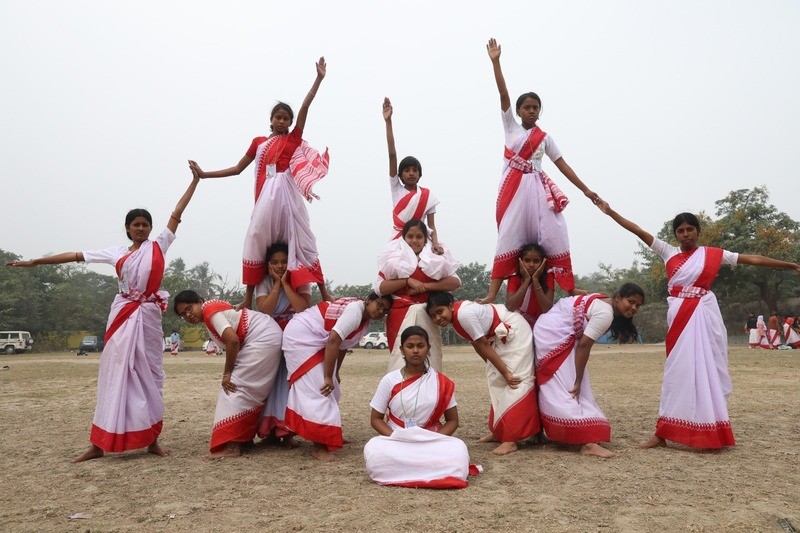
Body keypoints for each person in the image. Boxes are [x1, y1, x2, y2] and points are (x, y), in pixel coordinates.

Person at [7, 175, 201, 462]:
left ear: (150, 228)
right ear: (127, 228)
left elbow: (177, 212)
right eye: (136, 224)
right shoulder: (117, 253)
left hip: (147, 317)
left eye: (145, 224)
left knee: (150, 378)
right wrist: (36, 262)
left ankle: (152, 441)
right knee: (114, 375)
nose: (141, 228)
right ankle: (97, 444)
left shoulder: (159, 245)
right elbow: (75, 256)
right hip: (123, 316)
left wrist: (195, 181)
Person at [599, 201, 800, 449]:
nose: (685, 235)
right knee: (676, 372)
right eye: (680, 231)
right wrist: (611, 212)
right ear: (675, 235)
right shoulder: (668, 253)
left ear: (697, 231)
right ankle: (662, 433)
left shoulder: (713, 254)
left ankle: (712, 429)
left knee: (706, 370)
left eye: (690, 229)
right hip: (680, 318)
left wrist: (788, 265)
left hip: (703, 315)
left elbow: (752, 259)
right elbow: (638, 230)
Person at [188, 57, 332, 309]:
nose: (282, 121)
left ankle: (323, 292)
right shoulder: (259, 143)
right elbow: (237, 169)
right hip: (266, 198)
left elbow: (305, 108)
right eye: (278, 117)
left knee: (302, 239)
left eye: (286, 118)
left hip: (287, 197)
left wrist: (318, 79)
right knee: (255, 237)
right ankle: (247, 299)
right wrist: (204, 174)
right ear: (271, 119)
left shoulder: (293, 139)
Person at [479, 38, 600, 304]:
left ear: (539, 111)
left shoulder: (544, 138)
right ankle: (491, 294)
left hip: (538, 190)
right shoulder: (511, 127)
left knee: (556, 232)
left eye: (535, 107)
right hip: (513, 190)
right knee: (508, 234)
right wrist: (496, 62)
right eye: (527, 107)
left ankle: (569, 287)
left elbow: (562, 164)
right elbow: (503, 96)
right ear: (519, 111)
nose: (531, 111)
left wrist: (586, 189)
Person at [534, 284, 644, 458]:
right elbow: (584, 345)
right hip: (554, 334)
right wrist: (577, 380)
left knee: (560, 385)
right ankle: (587, 442)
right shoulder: (605, 313)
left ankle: (547, 432)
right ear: (617, 297)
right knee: (567, 388)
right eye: (630, 302)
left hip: (550, 329)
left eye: (638, 305)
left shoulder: (602, 300)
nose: (634, 308)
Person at [282, 293, 392, 461]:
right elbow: (333, 340)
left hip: (316, 339)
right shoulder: (355, 311)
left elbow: (341, 346)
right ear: (368, 300)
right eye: (379, 305)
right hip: (301, 337)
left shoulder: (364, 321)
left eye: (385, 310)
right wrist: (327, 376)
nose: (381, 311)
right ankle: (318, 445)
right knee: (319, 389)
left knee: (333, 389)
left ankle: (329, 435)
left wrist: (334, 373)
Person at [174, 290, 283, 459]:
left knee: (233, 388)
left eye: (189, 308)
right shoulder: (210, 312)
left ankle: (232, 446)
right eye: (183, 314)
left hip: (263, 337)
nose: (188, 315)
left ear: (199, 301)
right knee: (245, 389)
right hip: (265, 336)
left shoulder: (209, 310)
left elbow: (232, 340)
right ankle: (243, 439)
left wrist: (227, 373)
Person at [426, 291, 538, 455]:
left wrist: (506, 372)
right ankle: (499, 431)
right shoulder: (456, 319)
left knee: (515, 381)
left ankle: (511, 439)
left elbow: (482, 344)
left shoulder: (464, 314)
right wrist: (493, 367)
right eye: (433, 316)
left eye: (439, 312)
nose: (437, 318)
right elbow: (477, 345)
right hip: (497, 337)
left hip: (515, 331)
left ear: (451, 306)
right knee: (497, 380)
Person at [364, 326, 475, 489]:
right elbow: (375, 419)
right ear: (402, 350)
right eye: (410, 346)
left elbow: (452, 421)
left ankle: (404, 470)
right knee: (374, 448)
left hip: (431, 440)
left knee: (458, 449)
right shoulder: (389, 380)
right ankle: (429, 469)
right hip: (397, 440)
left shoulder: (441, 382)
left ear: (428, 348)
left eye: (420, 346)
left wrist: (434, 439)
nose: (415, 351)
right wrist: (396, 437)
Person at [375, 219, 460, 372]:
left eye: (419, 237)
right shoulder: (393, 259)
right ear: (403, 238)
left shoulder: (435, 259)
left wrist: (425, 287)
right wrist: (407, 281)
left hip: (428, 315)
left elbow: (455, 282)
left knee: (431, 360)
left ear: (425, 238)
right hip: (400, 315)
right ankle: (400, 393)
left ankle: (430, 393)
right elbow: (379, 288)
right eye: (410, 236)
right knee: (399, 361)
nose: (414, 241)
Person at [254, 242, 313, 446]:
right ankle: (269, 431)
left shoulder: (301, 280)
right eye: (275, 262)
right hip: (269, 336)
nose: (280, 266)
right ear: (268, 265)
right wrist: (277, 284)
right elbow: (265, 311)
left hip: (295, 337)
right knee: (269, 384)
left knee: (288, 384)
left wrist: (287, 283)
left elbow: (302, 307)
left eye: (284, 262)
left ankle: (287, 432)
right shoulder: (264, 282)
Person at [382, 97, 443, 249]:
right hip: (399, 242)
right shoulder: (397, 188)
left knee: (442, 269)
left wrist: (435, 244)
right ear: (400, 175)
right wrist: (388, 122)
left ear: (419, 174)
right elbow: (392, 155)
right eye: (407, 170)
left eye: (415, 170)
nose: (411, 173)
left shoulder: (427, 196)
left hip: (421, 242)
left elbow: (431, 226)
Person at [504, 244, 555, 329]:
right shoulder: (515, 277)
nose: (531, 265)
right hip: (518, 325)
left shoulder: (548, 277)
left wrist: (535, 279)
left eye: (536, 261)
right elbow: (510, 307)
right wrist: (527, 280)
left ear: (542, 263)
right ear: (521, 261)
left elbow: (546, 309)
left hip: (542, 326)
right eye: (527, 261)